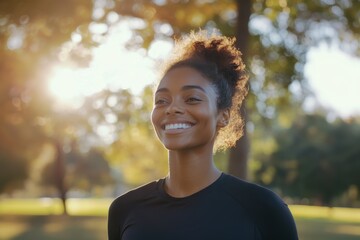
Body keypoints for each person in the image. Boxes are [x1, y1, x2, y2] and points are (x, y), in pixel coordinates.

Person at [108, 30, 298, 240]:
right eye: (162, 100)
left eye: (191, 99)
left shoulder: (263, 209)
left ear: (223, 116)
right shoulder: (124, 209)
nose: (172, 108)